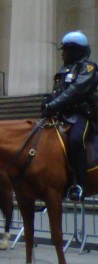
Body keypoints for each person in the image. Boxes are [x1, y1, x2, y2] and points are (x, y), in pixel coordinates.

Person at [41, 31, 98, 201]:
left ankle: (79, 185)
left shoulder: (88, 68)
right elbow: (58, 92)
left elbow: (75, 91)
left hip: (82, 115)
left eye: (66, 50)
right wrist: (47, 101)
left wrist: (53, 105)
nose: (63, 54)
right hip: (63, 115)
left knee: (75, 139)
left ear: (75, 50)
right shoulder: (63, 70)